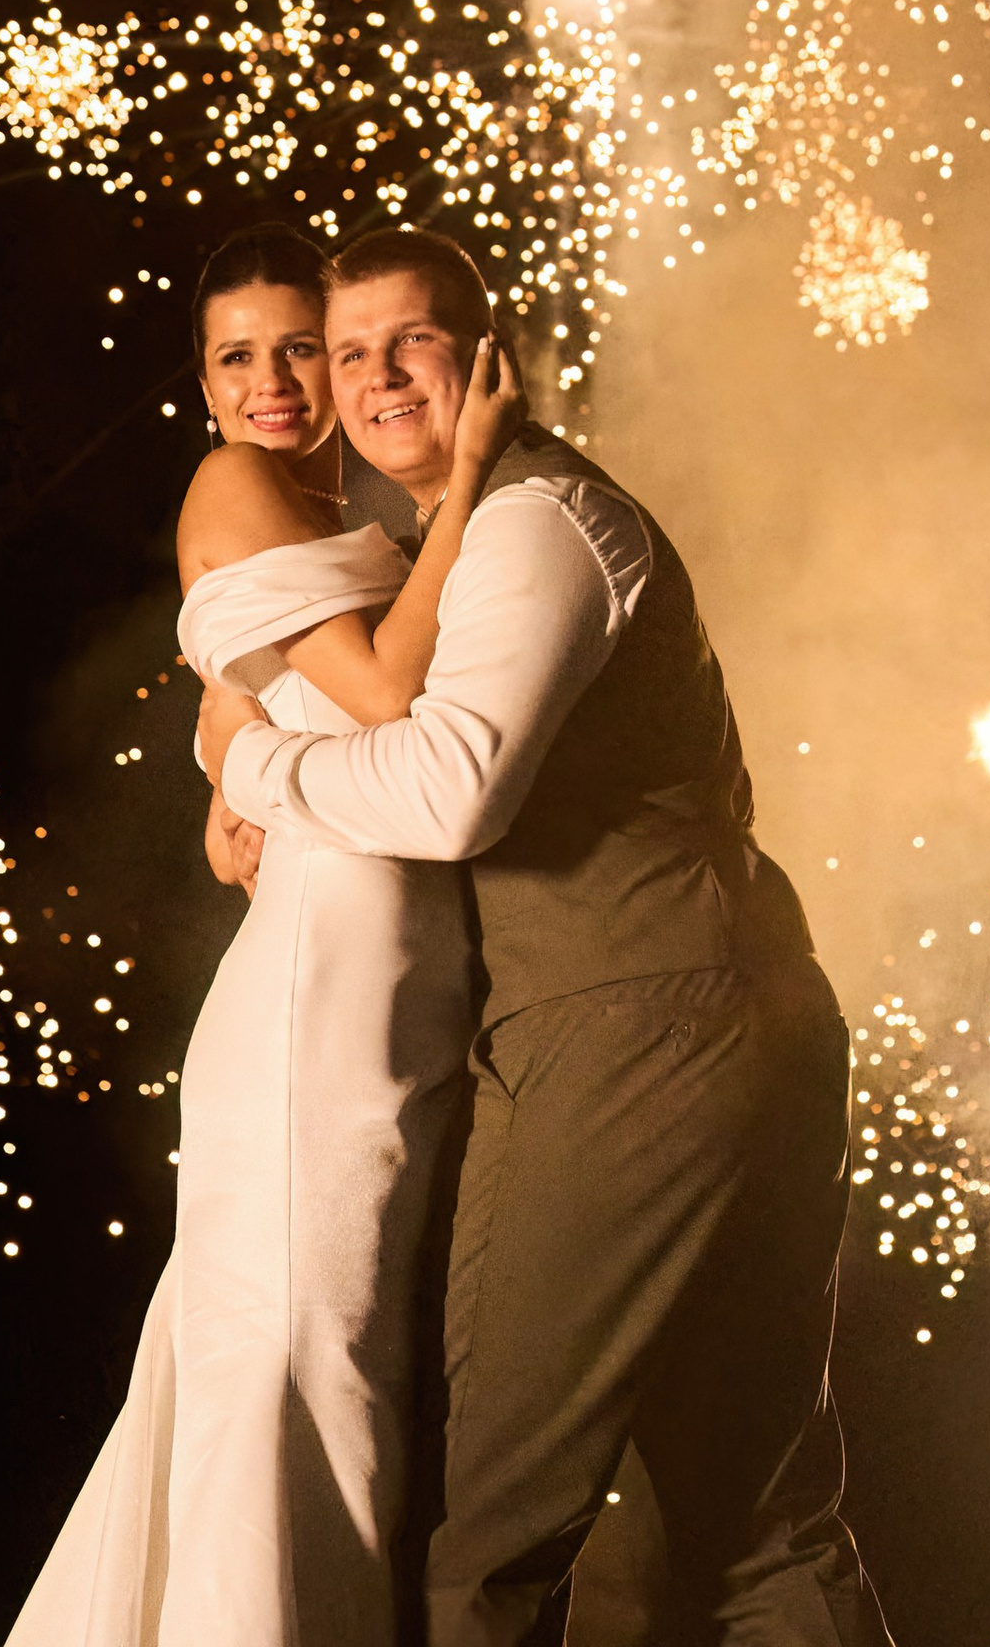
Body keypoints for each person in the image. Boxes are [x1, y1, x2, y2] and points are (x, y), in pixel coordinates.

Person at [201, 228, 887, 1647]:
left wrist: (250, 764)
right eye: (351, 350)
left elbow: (447, 790)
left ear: (488, 354)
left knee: (484, 1530)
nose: (379, 374)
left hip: (631, 1025)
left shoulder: (537, 518)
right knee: (752, 1521)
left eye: (417, 340)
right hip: (702, 1004)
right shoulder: (452, 536)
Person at [6, 220, 529, 1647]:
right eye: (238, 357)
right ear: (204, 386)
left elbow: (287, 694)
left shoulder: (345, 514)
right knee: (306, 1355)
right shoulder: (238, 483)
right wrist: (477, 474)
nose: (276, 381)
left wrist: (225, 750)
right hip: (322, 978)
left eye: (304, 344)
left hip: (379, 959)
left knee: (318, 1348)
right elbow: (379, 698)